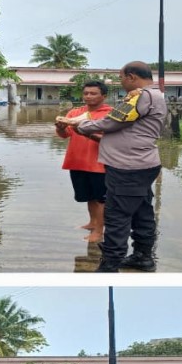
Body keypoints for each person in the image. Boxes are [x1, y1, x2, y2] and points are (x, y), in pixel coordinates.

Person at [67, 61, 168, 272]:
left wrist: (82, 125)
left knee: (116, 216)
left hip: (128, 167)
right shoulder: (153, 95)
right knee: (141, 211)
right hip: (140, 164)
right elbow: (123, 127)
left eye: (121, 78)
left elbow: (114, 121)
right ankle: (142, 257)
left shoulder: (143, 96)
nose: (121, 82)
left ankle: (109, 266)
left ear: (131, 77)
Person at [55, 80, 112, 243]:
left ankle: (99, 231)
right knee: (88, 196)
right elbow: (64, 135)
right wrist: (60, 127)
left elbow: (112, 140)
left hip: (99, 164)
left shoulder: (110, 114)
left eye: (93, 93)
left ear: (104, 96)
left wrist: (87, 132)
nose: (88, 96)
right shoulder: (75, 112)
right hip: (78, 161)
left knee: (101, 199)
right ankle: (93, 222)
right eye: (86, 93)